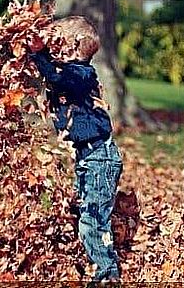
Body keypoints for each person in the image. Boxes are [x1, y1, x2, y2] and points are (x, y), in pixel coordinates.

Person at [30, 16, 124, 282]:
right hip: (88, 158)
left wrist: (39, 55)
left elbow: (59, 79)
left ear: (73, 46)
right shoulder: (67, 72)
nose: (52, 48)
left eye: (57, 42)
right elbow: (54, 75)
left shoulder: (82, 74)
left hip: (100, 159)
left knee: (93, 220)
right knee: (86, 213)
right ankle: (100, 267)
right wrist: (36, 51)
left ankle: (107, 275)